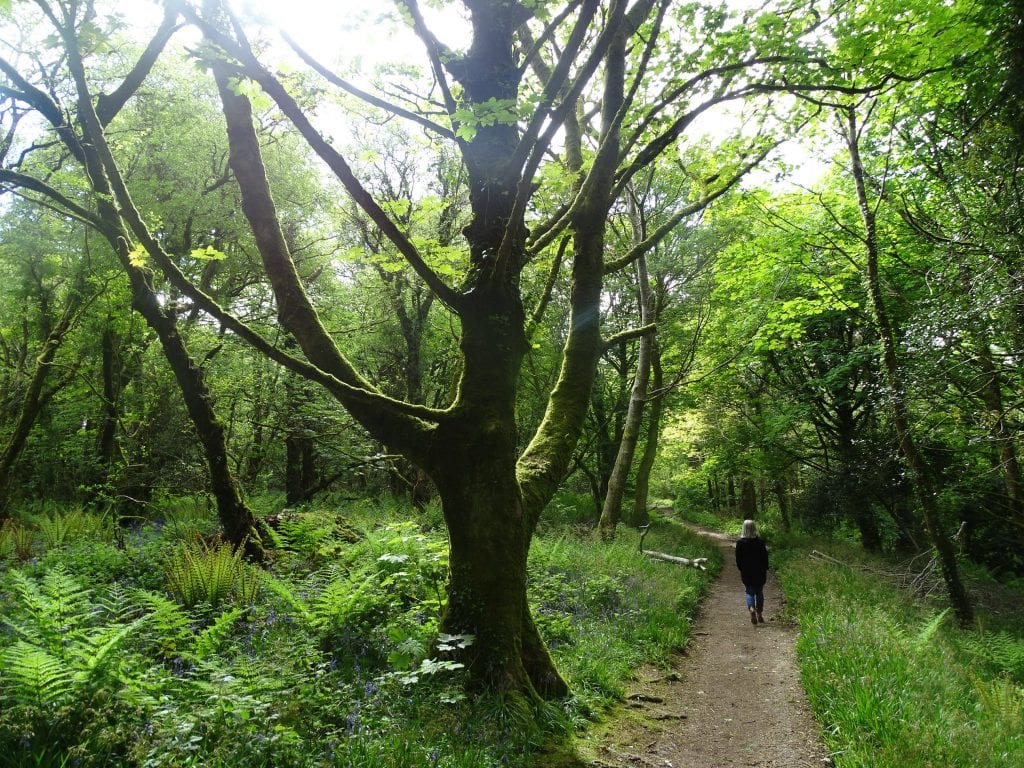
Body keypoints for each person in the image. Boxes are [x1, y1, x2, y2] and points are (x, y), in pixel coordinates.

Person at [735, 519, 769, 625]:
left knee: (749, 591)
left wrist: (741, 568)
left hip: (747, 571)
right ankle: (759, 613)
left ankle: (751, 609)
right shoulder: (760, 542)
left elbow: (738, 558)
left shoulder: (740, 543)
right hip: (759, 570)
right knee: (759, 591)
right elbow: (765, 557)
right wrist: (765, 567)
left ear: (744, 529)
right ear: (754, 528)